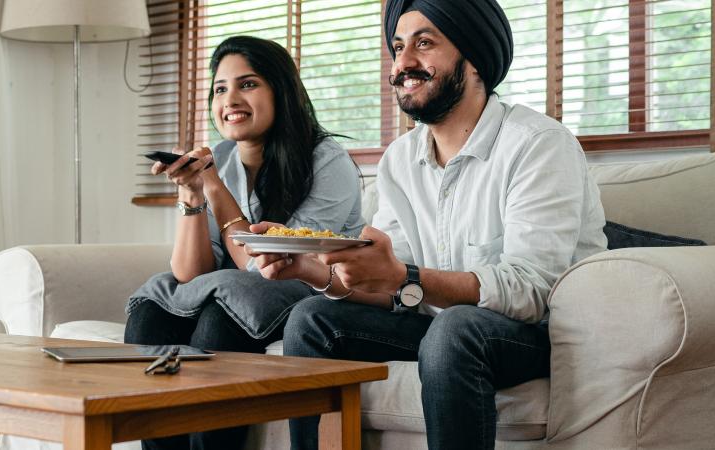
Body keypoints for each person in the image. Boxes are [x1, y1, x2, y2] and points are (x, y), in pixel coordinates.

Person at [244, 0, 608, 449]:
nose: (403, 64)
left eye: (424, 44)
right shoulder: (400, 159)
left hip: (535, 334)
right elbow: (394, 285)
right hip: (439, 328)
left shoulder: (538, 145)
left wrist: (404, 277)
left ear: (473, 58)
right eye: (398, 47)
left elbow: (532, 292)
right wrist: (310, 271)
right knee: (311, 318)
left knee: (454, 327)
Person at [123, 35, 365, 450]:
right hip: (240, 291)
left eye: (247, 84)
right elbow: (190, 273)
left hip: (312, 292)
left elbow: (267, 266)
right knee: (152, 315)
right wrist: (192, 196)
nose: (230, 98)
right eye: (220, 89)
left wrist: (213, 184)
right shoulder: (222, 155)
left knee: (221, 316)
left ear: (281, 92)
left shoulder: (327, 160)